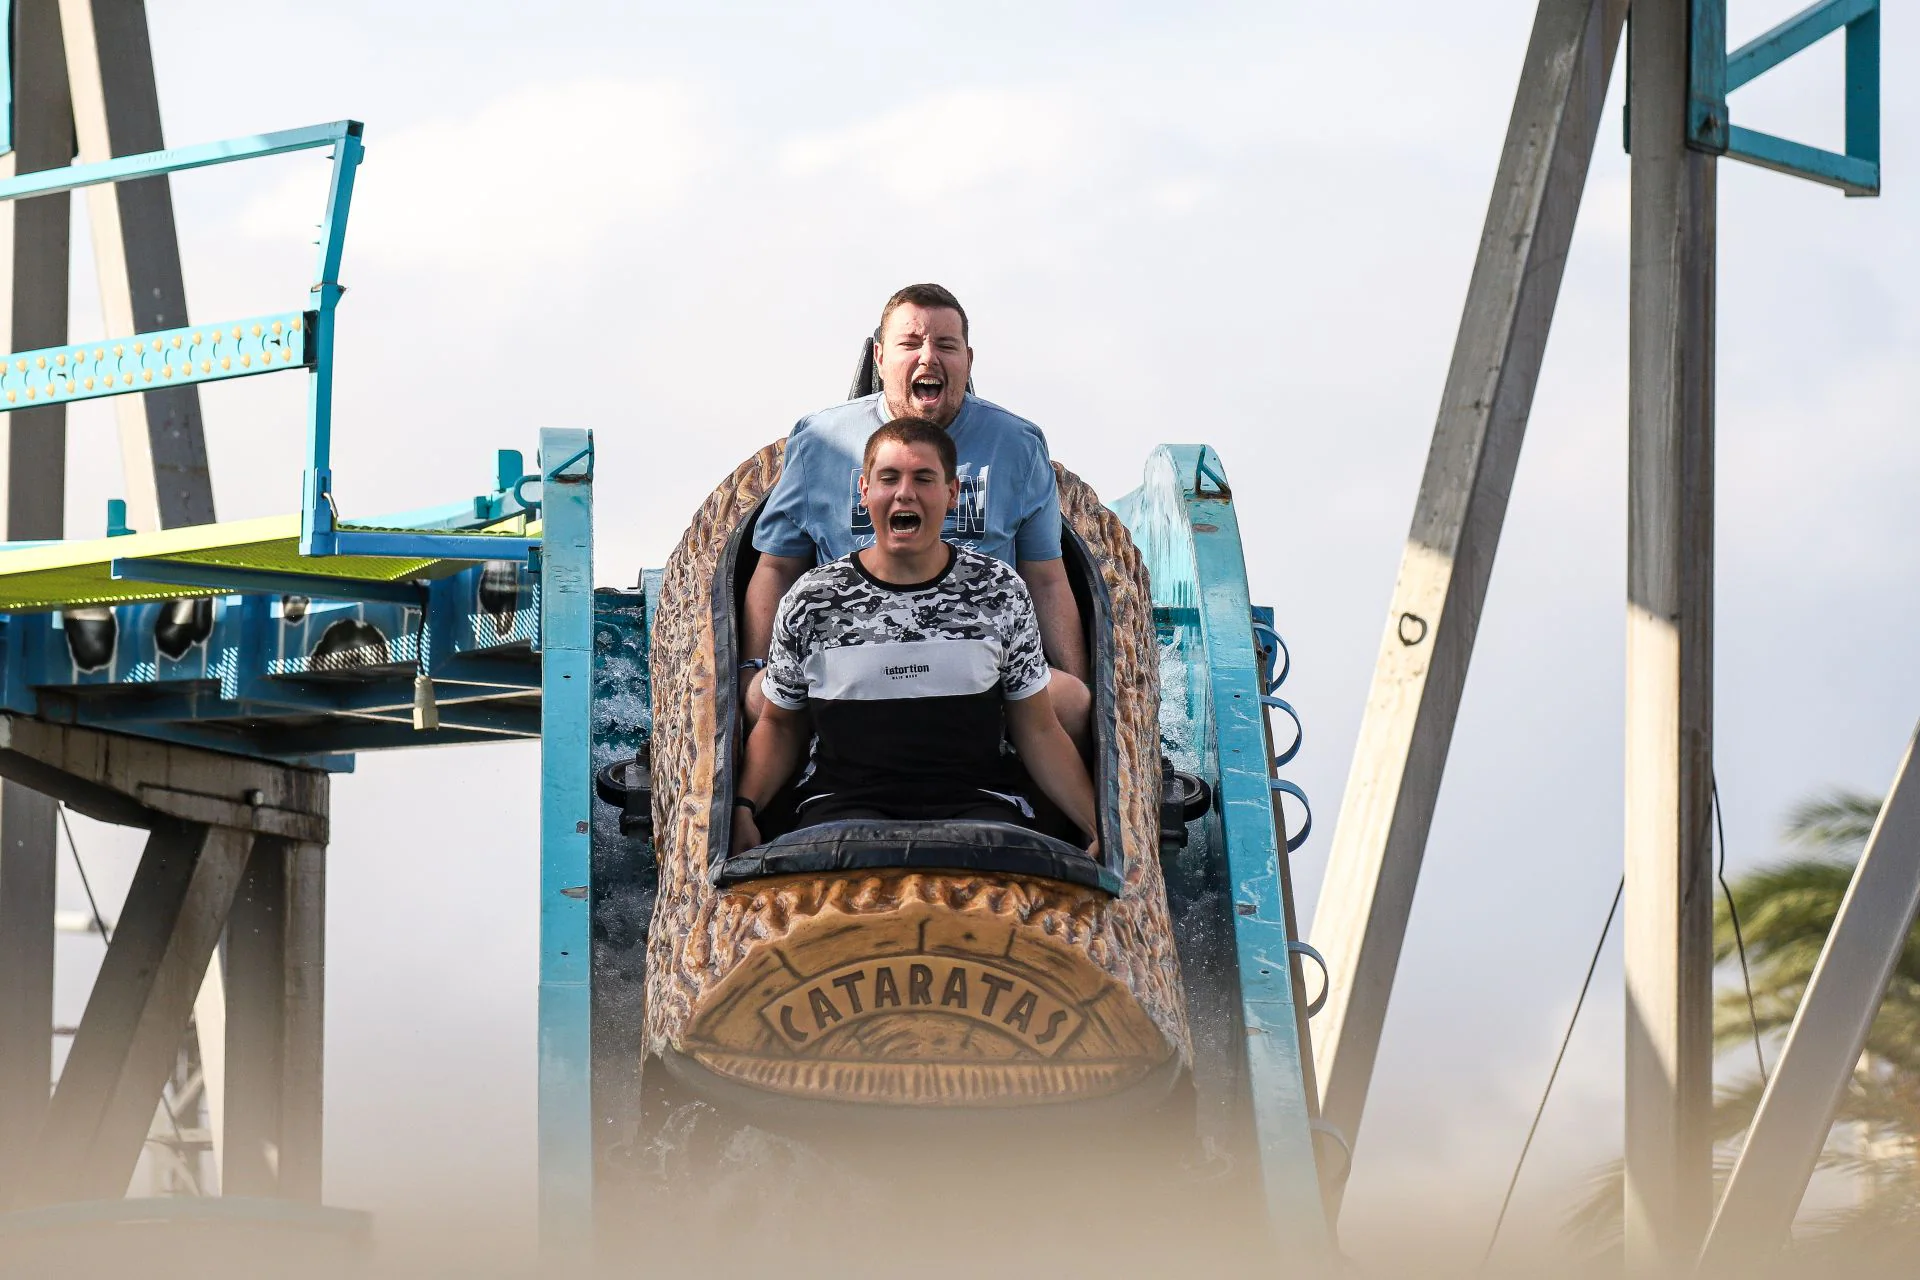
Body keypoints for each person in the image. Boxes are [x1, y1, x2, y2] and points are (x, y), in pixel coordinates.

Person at [730, 420, 1099, 858]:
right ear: (864, 491)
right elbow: (779, 724)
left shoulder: (998, 591)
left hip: (978, 808)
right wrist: (743, 808)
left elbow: (1037, 728)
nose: (905, 493)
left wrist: (1096, 826)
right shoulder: (813, 600)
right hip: (842, 812)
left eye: (924, 478)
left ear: (952, 494)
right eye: (889, 478)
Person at [740, 283, 1089, 745]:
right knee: (761, 701)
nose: (928, 357)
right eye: (910, 343)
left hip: (979, 667)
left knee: (1072, 703)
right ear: (880, 358)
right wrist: (750, 669)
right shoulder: (820, 441)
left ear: (968, 359)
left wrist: (1079, 682)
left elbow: (1046, 577)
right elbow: (777, 565)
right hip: (848, 665)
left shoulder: (1017, 445)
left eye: (946, 345)